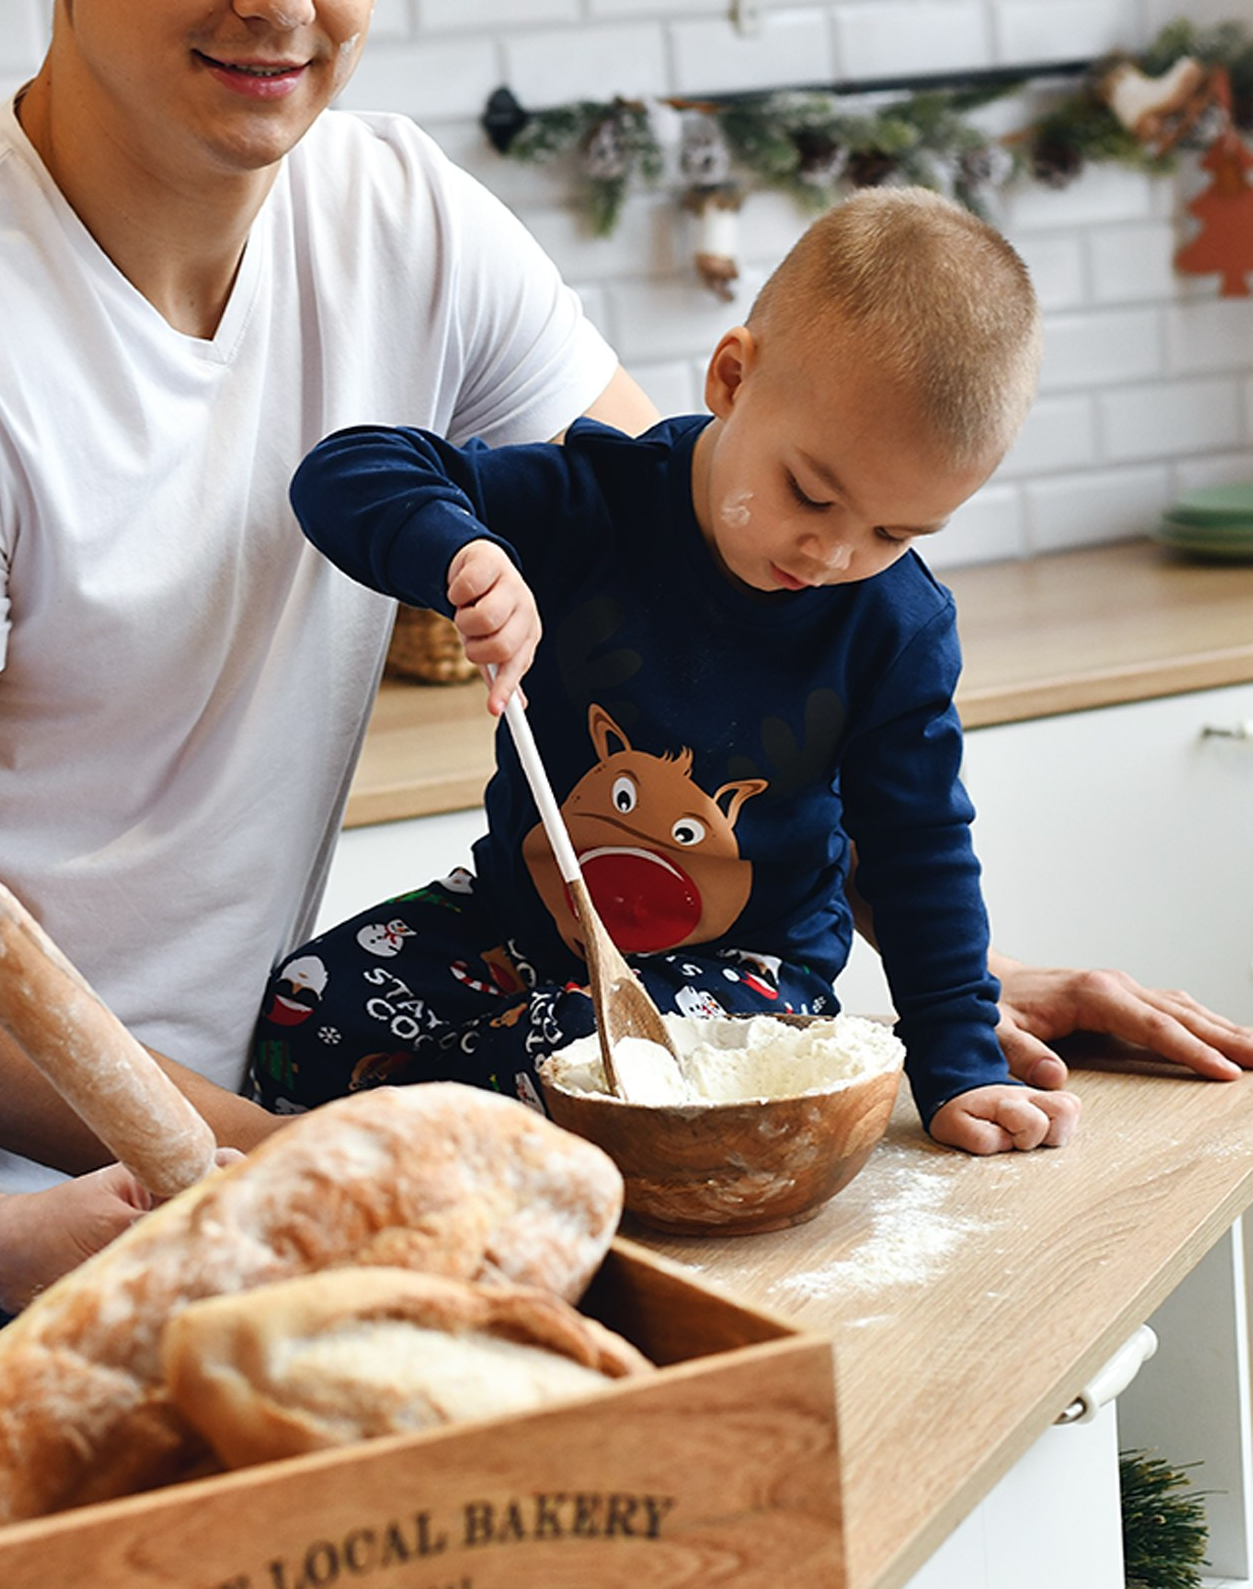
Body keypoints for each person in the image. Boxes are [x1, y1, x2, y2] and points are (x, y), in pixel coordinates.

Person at [0, 0, 1247, 1268]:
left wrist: (878, 1005)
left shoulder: (399, 215)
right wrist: (304, 1169)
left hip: (295, 1123)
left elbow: (718, 633)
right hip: (42, 1209)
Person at [261, 189, 1082, 1153]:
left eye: (896, 533)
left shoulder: (894, 626)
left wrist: (959, 1063)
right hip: (518, 931)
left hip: (749, 977)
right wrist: (460, 553)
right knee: (307, 1010)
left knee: (569, 1056)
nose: (833, 551)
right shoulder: (590, 501)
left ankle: (428, 1171)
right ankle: (397, 1173)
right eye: (809, 494)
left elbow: (918, 852)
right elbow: (348, 469)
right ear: (732, 376)